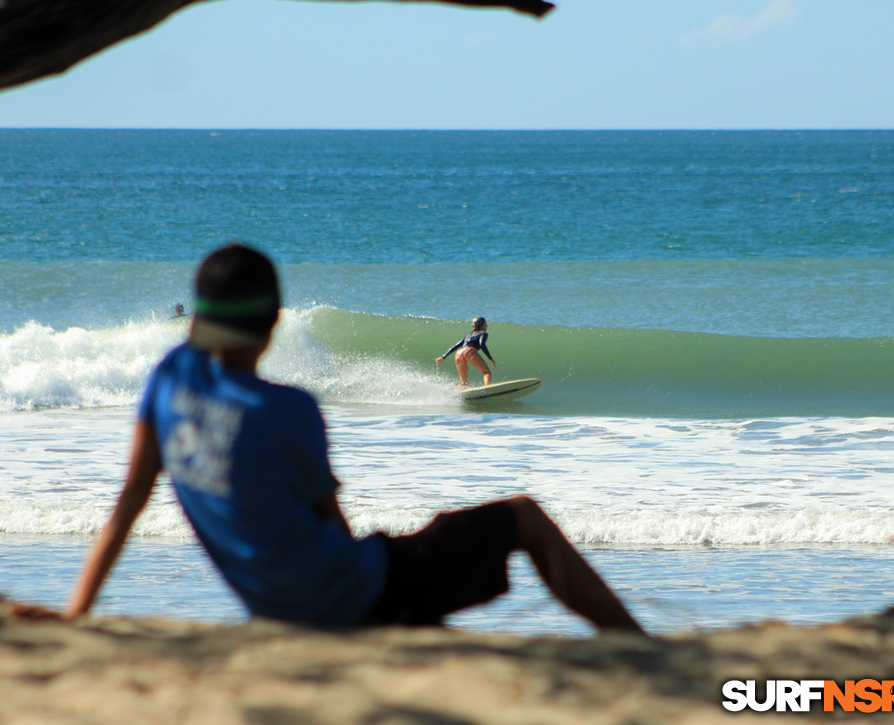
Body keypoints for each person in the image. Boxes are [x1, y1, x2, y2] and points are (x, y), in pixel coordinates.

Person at [63, 243, 644, 634]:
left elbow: (127, 505)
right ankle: (639, 646)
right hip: (348, 597)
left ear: (197, 322)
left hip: (271, 604)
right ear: (272, 326)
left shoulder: (168, 380)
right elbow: (333, 529)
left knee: (416, 579)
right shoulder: (288, 409)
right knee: (521, 517)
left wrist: (76, 615)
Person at [436, 317, 496, 387]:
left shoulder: (468, 335)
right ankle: (487, 388)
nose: (486, 326)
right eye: (485, 324)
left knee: (463, 382)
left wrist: (444, 357)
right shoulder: (483, 333)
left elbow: (456, 346)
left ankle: (456, 393)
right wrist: (490, 358)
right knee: (486, 372)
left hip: (459, 354)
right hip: (469, 352)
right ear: (481, 325)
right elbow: (482, 344)